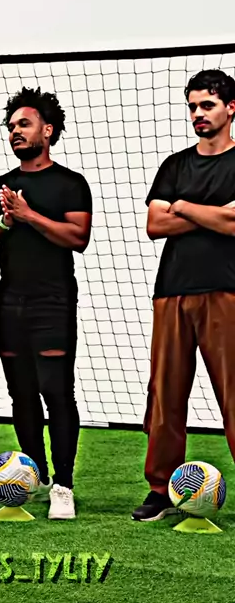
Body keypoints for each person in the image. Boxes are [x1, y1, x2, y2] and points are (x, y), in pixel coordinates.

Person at [0, 87, 92, 519]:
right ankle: (35, 474)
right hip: (9, 302)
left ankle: (64, 484)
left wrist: (29, 216)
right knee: (20, 393)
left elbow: (78, 237)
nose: (15, 132)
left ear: (48, 130)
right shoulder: (0, 186)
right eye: (11, 127)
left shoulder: (71, 184)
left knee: (56, 392)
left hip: (52, 301)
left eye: (24, 124)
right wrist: (6, 221)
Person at [132, 69, 235, 521]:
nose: (198, 114)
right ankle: (160, 489)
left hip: (227, 290)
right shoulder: (174, 166)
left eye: (207, 105)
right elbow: (156, 224)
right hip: (171, 291)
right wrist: (215, 214)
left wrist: (185, 206)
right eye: (193, 106)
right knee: (164, 394)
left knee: (234, 393)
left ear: (231, 108)